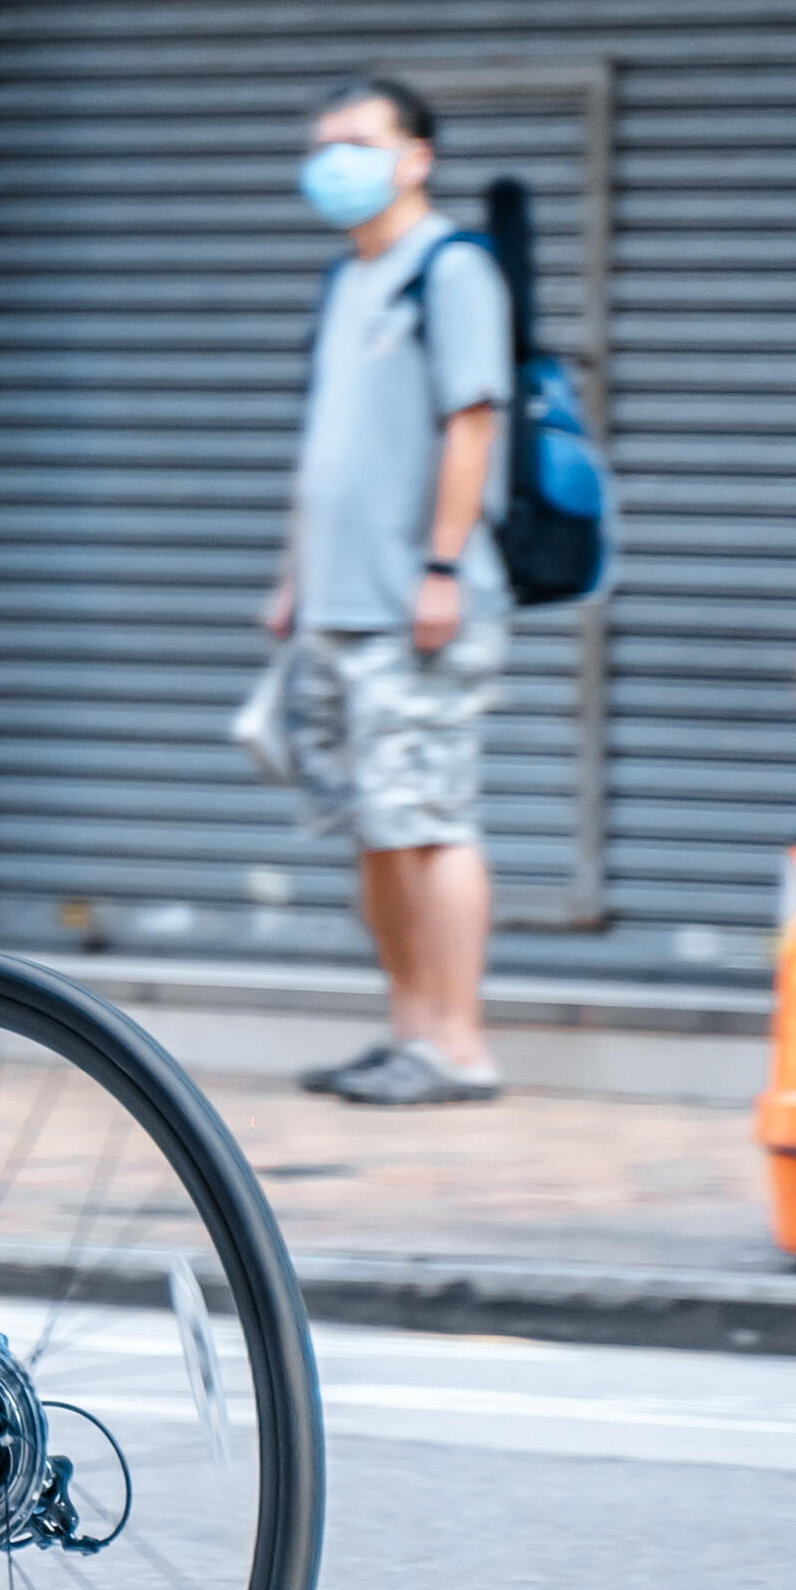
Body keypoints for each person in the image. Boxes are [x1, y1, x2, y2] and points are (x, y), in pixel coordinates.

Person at [263, 78, 510, 1109]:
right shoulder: (348, 278)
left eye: (357, 143)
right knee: (376, 824)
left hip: (420, 601)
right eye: (322, 145)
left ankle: (457, 1045)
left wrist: (441, 566)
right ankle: (406, 1028)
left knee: (429, 816)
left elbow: (472, 419)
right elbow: (325, 450)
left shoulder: (449, 268)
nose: (334, 163)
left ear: (417, 157)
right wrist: (290, 577)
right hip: (337, 601)